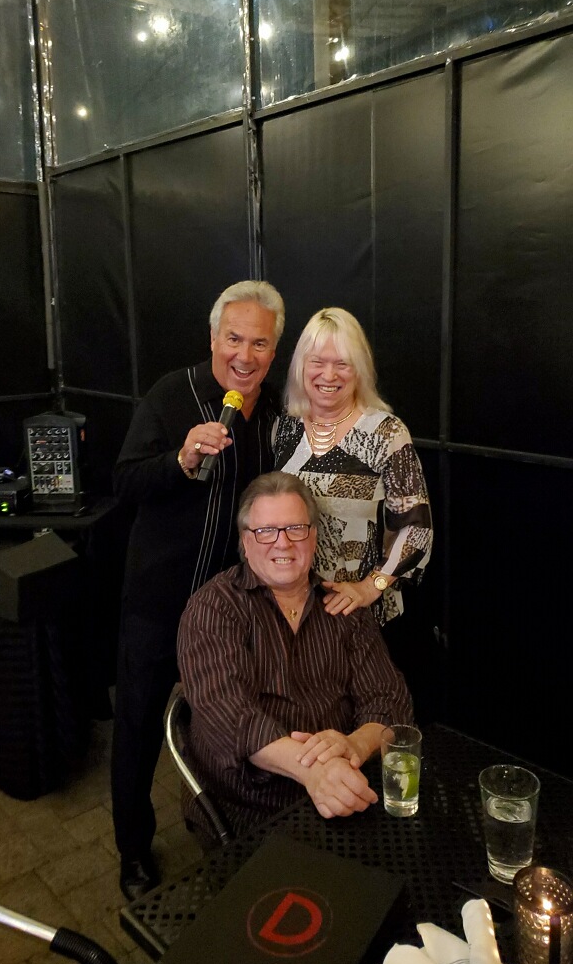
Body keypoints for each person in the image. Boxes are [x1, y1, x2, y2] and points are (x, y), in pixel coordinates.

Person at [111, 279, 285, 899]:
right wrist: (180, 461)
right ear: (213, 338)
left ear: (274, 350)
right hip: (158, 603)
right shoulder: (170, 394)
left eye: (259, 343)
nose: (244, 354)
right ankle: (133, 851)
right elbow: (124, 482)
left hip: (232, 611)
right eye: (234, 338)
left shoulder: (277, 417)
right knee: (137, 727)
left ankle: (226, 830)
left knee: (227, 725)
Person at [177, 471, 414, 842]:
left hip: (349, 781)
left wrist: (355, 745)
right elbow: (229, 715)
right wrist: (313, 772)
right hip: (254, 808)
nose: (283, 543)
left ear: (314, 537)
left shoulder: (344, 607)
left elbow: (390, 700)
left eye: (296, 529)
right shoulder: (214, 607)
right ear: (245, 541)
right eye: (266, 531)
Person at [273, 307, 432, 628]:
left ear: (359, 369)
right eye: (317, 362)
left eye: (342, 364)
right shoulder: (284, 429)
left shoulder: (384, 433)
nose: (328, 375)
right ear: (300, 366)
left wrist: (371, 587)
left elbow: (417, 528)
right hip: (293, 612)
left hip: (359, 616)